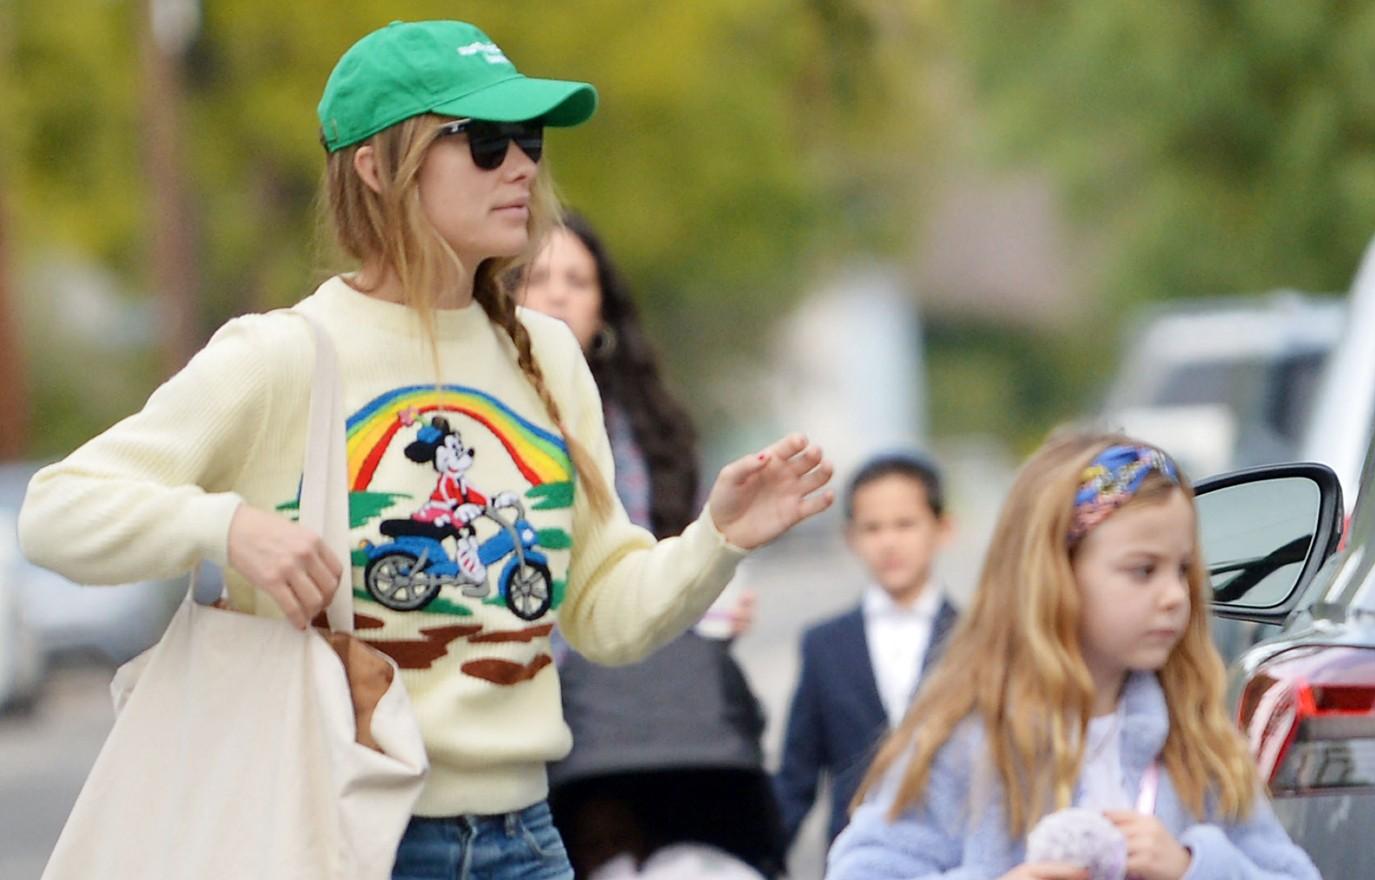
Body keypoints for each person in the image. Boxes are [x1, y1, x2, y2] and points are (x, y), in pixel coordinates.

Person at [17, 19, 833, 880]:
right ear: (377, 166)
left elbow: (605, 616)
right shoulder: (283, 355)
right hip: (340, 836)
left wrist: (718, 537)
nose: (521, 164)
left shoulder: (550, 355)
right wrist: (227, 528)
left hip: (527, 839)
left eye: (529, 138)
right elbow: (57, 511)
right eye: (483, 142)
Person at [825, 432, 1320, 880]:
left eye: (1183, 569)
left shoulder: (1196, 741)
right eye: (1144, 571)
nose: (1175, 595)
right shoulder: (965, 738)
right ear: (1054, 576)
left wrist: (1194, 867)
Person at [519, 213, 781, 878]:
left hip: (639, 700)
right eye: (537, 277)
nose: (557, 295)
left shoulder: (652, 424)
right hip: (526, 688)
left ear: (604, 303)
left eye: (576, 279)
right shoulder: (484, 414)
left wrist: (709, 595)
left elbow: (688, 547)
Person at [774, 451, 959, 850]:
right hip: (854, 857)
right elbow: (796, 779)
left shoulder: (978, 637)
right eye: (872, 528)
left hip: (954, 855)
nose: (889, 542)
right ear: (851, 538)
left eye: (905, 525)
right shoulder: (824, 645)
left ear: (942, 529)